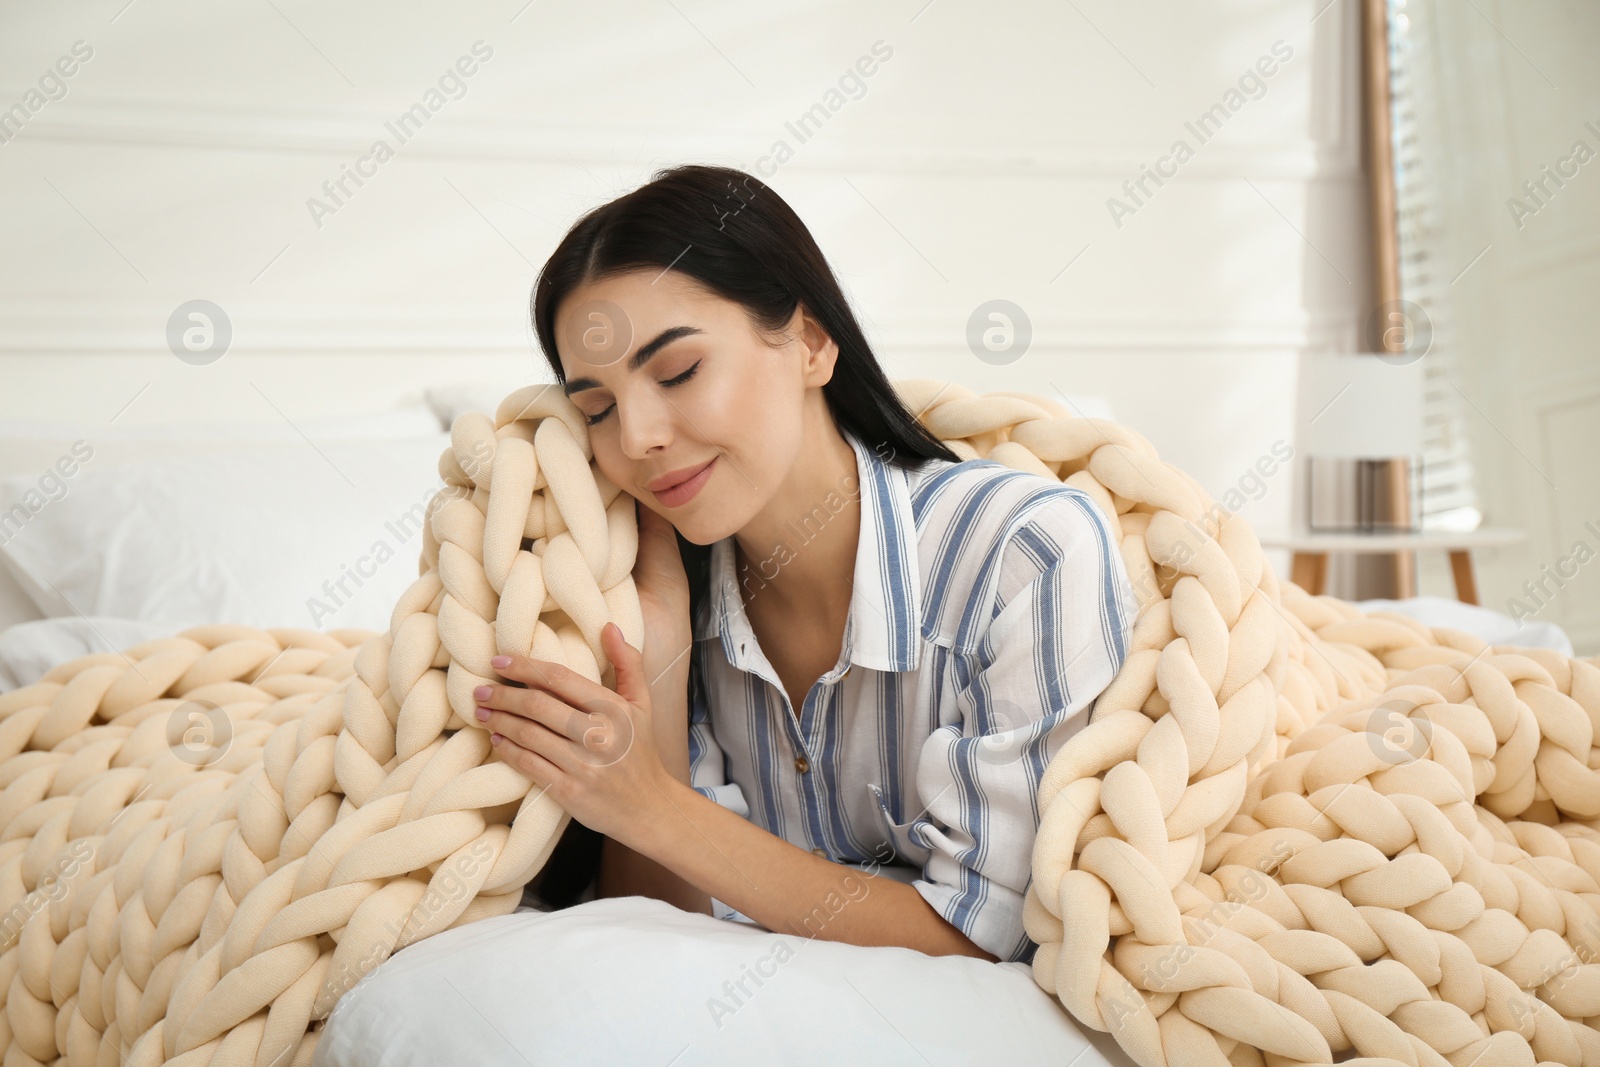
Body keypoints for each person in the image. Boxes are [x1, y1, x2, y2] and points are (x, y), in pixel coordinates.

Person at [471, 163, 1137, 966]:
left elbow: (982, 935)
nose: (637, 436)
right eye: (598, 409)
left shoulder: (1024, 555)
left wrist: (651, 804)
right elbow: (652, 936)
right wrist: (659, 655)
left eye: (678, 371)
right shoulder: (664, 593)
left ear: (813, 342)